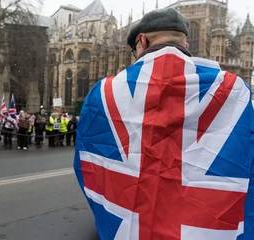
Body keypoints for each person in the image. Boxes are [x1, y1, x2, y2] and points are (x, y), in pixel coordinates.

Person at [74, 8, 254, 240]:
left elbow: (88, 163)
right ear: (186, 45)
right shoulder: (235, 91)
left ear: (141, 41)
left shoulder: (103, 92)